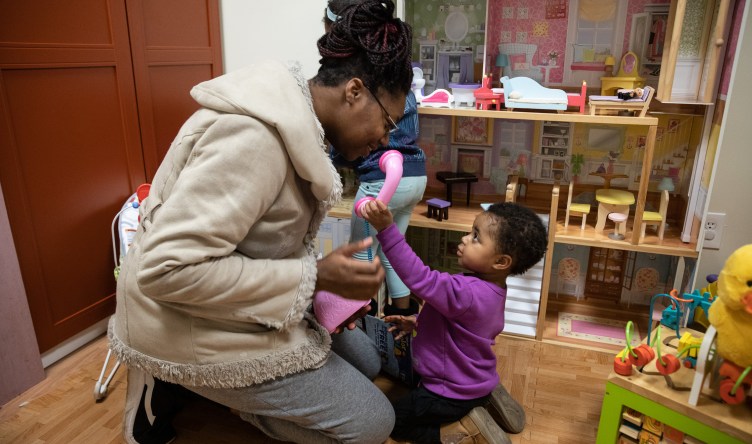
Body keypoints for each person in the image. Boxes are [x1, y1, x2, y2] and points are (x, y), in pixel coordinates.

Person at [109, 1, 413, 443]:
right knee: (372, 424)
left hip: (227, 300)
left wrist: (323, 287)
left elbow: (263, 237)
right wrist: (316, 278)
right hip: (174, 315)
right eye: (388, 123)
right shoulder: (253, 140)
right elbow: (166, 270)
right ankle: (181, 382)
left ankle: (207, 391)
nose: (385, 140)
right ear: (353, 92)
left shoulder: (300, 124)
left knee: (366, 362)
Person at [359, 200, 548, 443]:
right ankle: (486, 396)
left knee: (395, 423)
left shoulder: (465, 291)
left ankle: (464, 430)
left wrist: (387, 230)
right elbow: (465, 328)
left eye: (476, 237)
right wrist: (418, 321)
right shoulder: (492, 290)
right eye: (471, 231)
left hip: (448, 392)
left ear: (501, 262)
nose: (465, 238)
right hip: (475, 379)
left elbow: (419, 278)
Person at [325, 0, 427, 316]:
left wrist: (333, 155)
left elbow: (351, 150)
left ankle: (363, 318)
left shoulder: (362, 87)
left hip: (384, 181)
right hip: (416, 178)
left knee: (363, 253)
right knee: (391, 252)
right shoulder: (400, 81)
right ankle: (403, 319)